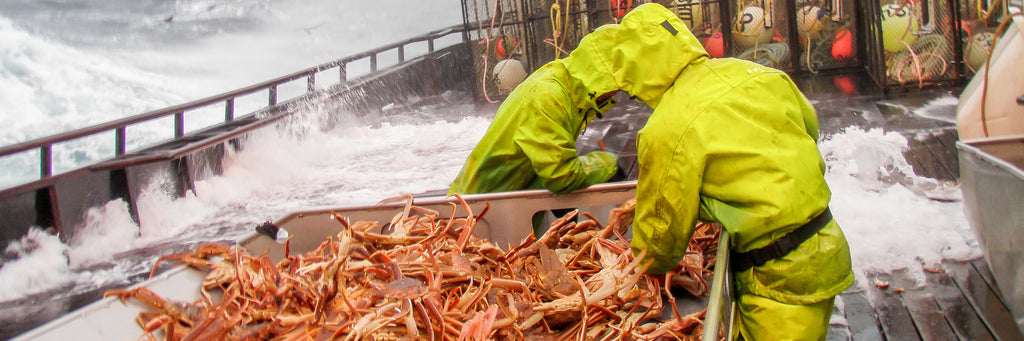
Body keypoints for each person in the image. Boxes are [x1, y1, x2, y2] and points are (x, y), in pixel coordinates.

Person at [565, 4, 854, 340]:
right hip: (827, 247)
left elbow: (659, 236)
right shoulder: (757, 73)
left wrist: (638, 269)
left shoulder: (668, 127)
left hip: (777, 279)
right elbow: (809, 128)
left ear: (635, 68)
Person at [447, 29, 628, 225]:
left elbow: (539, 154)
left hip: (507, 209)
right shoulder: (548, 95)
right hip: (477, 217)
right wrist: (608, 165)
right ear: (603, 75)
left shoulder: (568, 87)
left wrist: (556, 194)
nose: (619, 92)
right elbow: (560, 175)